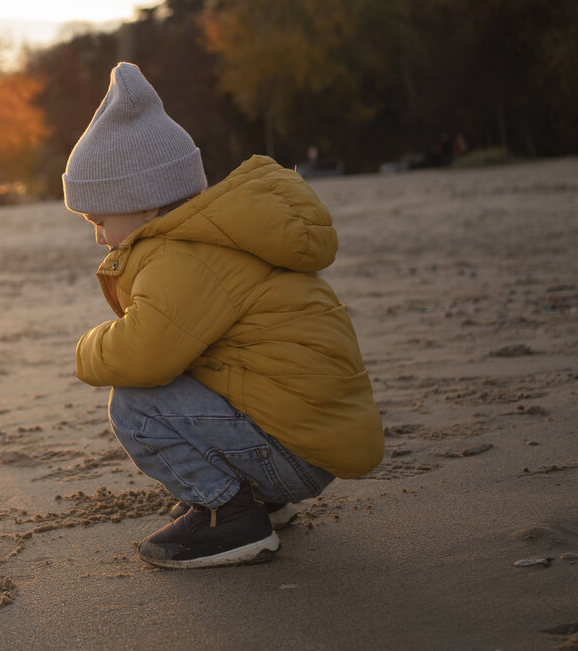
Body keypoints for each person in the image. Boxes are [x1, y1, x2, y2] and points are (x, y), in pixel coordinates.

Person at [61, 62, 383, 569]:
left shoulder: (183, 257)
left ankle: (231, 519)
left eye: (100, 219)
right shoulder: (221, 235)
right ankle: (262, 499)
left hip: (295, 450)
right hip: (311, 435)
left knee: (135, 403)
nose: (99, 235)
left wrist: (87, 348)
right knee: (200, 363)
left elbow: (146, 354)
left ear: (146, 205)